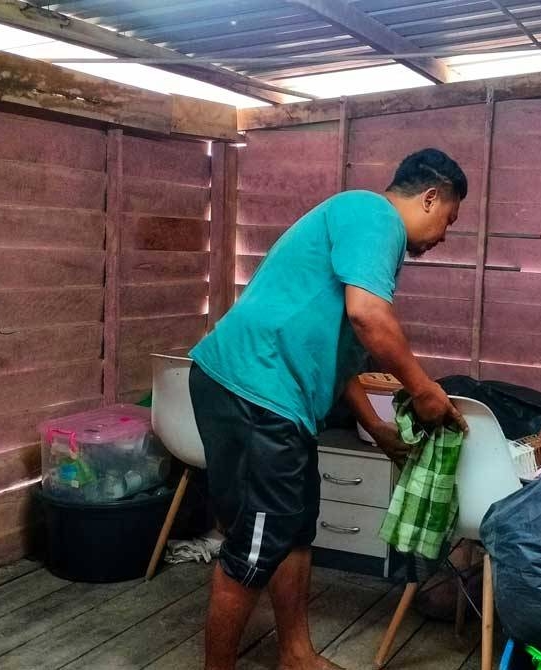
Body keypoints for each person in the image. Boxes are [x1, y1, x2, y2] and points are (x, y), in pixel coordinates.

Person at [188, 148, 470, 670]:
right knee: (256, 544)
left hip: (267, 394)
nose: (444, 235)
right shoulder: (373, 215)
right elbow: (367, 317)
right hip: (255, 389)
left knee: (293, 528)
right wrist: (424, 388)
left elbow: (337, 351)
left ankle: (296, 655)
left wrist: (376, 427)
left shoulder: (362, 231)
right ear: (430, 197)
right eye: (448, 219)